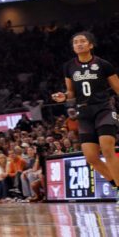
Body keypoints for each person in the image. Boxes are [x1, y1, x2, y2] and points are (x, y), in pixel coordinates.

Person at [51, 31, 119, 197]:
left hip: (104, 109)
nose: (79, 44)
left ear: (90, 45)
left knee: (107, 149)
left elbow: (117, 88)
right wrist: (64, 96)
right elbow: (71, 92)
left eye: (83, 41)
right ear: (73, 47)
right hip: (84, 112)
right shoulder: (69, 67)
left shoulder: (103, 64)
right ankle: (116, 186)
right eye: (76, 42)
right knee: (91, 157)